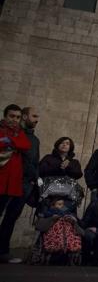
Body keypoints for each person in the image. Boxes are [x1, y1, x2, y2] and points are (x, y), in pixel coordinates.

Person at [0, 104, 31, 263]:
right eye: (12, 116)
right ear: (5, 116)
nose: (15, 120)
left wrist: (9, 140)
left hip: (12, 183)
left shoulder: (20, 132)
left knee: (9, 219)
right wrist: (12, 141)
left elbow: (25, 145)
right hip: (1, 180)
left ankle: (3, 252)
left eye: (18, 117)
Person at [20, 107, 40, 209]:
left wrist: (33, 180)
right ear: (24, 116)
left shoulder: (35, 140)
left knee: (12, 217)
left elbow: (35, 162)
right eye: (34, 116)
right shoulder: (15, 133)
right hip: (8, 181)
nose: (37, 120)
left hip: (25, 185)